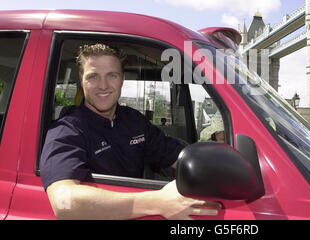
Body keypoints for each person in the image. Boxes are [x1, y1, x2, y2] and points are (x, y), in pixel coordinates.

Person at [40, 43, 220, 220]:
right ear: (82, 81)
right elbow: (63, 203)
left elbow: (174, 154)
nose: (103, 85)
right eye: (93, 76)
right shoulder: (67, 130)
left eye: (112, 75)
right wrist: (157, 203)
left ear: (122, 79)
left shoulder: (133, 121)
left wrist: (214, 166)